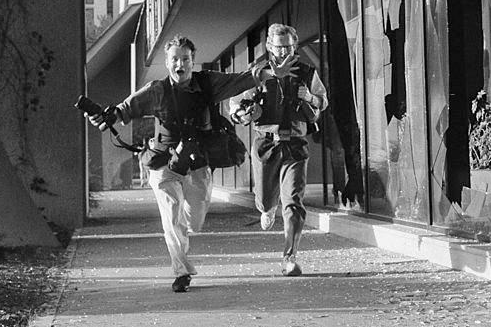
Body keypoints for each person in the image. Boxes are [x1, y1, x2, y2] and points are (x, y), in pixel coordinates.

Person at [85, 34, 285, 293]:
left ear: (193, 61)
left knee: (194, 220)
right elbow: (124, 109)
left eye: (185, 59)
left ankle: (185, 236)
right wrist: (106, 117)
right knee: (171, 216)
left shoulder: (208, 83)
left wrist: (269, 72)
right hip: (164, 163)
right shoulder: (157, 90)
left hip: (198, 162)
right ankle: (181, 272)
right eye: (174, 59)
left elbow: (241, 79)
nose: (180, 64)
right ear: (167, 63)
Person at [231, 23, 328, 277]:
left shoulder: (307, 72)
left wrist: (309, 97)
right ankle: (266, 207)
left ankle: (290, 257)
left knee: (294, 202)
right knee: (264, 199)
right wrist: (244, 113)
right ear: (269, 47)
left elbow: (322, 102)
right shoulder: (258, 72)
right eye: (278, 46)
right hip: (265, 144)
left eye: (288, 46)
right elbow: (236, 107)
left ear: (294, 46)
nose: (283, 52)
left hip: (295, 144)